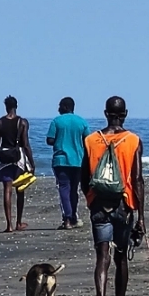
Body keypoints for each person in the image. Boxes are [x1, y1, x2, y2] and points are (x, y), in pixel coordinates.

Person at [83, 96, 144, 296]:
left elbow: (84, 177)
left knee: (102, 257)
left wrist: (91, 201)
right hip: (124, 206)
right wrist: (141, 216)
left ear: (105, 113)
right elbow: (137, 180)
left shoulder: (91, 140)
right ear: (125, 114)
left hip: (99, 205)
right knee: (121, 257)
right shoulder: (133, 140)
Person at [45, 96, 90, 231]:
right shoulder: (81, 122)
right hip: (77, 161)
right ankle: (74, 217)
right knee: (74, 190)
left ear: (64, 107)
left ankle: (68, 218)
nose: (58, 108)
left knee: (64, 188)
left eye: (60, 106)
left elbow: (50, 140)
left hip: (61, 160)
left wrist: (61, 138)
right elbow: (88, 140)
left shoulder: (57, 121)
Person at [0, 96, 34, 231]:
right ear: (16, 106)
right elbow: (26, 144)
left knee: (7, 190)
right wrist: (32, 163)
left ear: (6, 107)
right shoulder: (22, 122)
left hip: (5, 158)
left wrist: (1, 156)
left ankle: (9, 224)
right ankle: (19, 222)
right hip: (18, 159)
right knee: (20, 190)